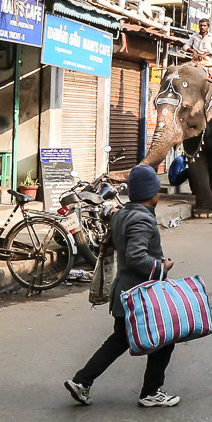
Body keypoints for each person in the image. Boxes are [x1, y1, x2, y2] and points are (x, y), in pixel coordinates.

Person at [65, 166, 179, 408]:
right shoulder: (142, 219)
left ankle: (82, 381)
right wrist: (163, 267)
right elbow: (137, 257)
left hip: (124, 291)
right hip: (141, 294)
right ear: (152, 193)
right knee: (165, 341)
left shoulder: (122, 214)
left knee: (119, 340)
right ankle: (151, 392)